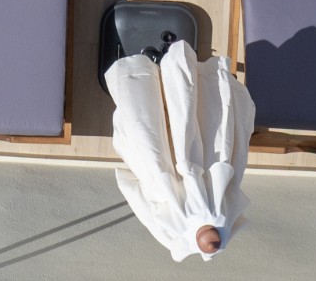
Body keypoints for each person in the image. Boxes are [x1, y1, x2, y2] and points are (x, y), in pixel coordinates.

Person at [105, 39, 256, 262]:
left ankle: (156, 66)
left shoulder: (177, 233)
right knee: (184, 114)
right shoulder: (223, 217)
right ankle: (168, 65)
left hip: (169, 167)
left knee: (159, 122)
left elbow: (145, 206)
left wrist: (136, 179)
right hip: (202, 157)